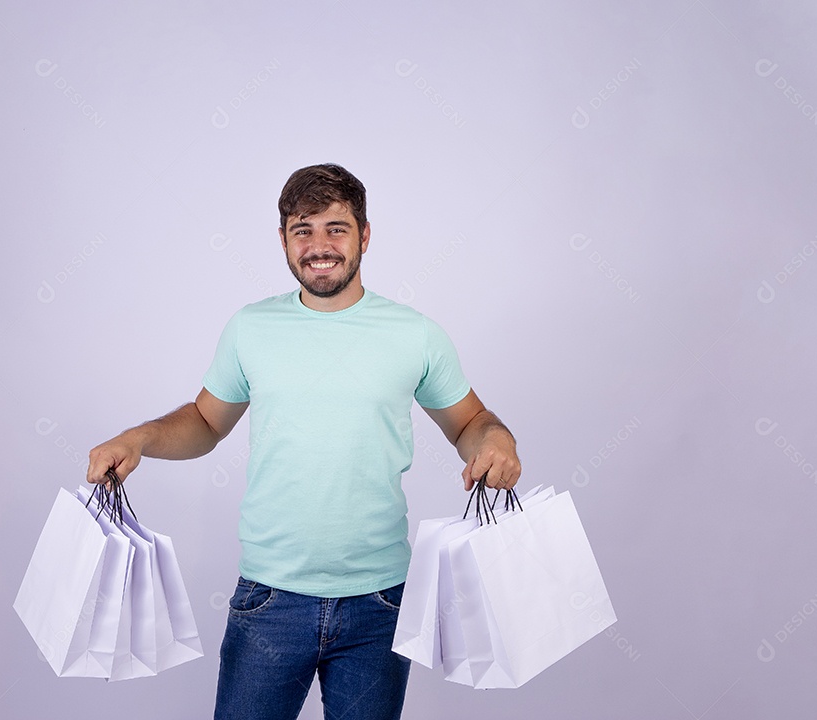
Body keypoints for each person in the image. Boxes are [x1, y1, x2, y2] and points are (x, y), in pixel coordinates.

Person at [86, 163, 522, 720]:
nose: (320, 246)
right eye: (303, 230)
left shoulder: (415, 334)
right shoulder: (250, 328)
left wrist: (497, 441)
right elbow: (204, 421)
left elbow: (469, 422)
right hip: (269, 599)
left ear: (365, 235)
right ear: (283, 240)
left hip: (380, 602)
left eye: (336, 228)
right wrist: (140, 438)